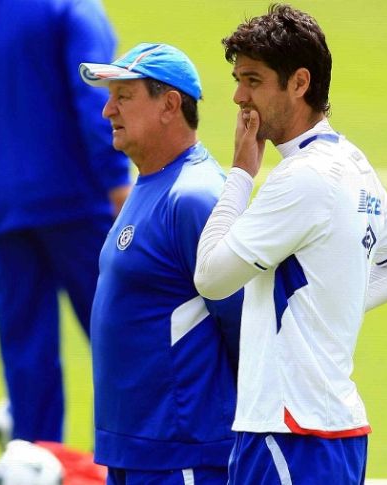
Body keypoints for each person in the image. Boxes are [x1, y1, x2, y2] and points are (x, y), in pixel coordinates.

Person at [194, 4, 387, 484]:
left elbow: (212, 276)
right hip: (330, 430)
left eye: (253, 80)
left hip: (289, 431)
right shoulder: (351, 163)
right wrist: (335, 303)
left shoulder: (302, 179)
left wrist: (241, 173)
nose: (239, 96)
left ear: (299, 83)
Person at [0, 0, 131, 443]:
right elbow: (96, 96)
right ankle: (139, 461)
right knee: (122, 339)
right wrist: (116, 179)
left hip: (4, 207)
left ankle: (35, 463)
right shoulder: (71, 9)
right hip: (80, 205)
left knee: (26, 354)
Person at [78, 43, 243, 485]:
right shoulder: (150, 185)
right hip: (136, 448)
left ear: (170, 104)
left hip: (182, 453)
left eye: (124, 97)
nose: (107, 111)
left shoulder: (195, 197)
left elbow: (247, 325)